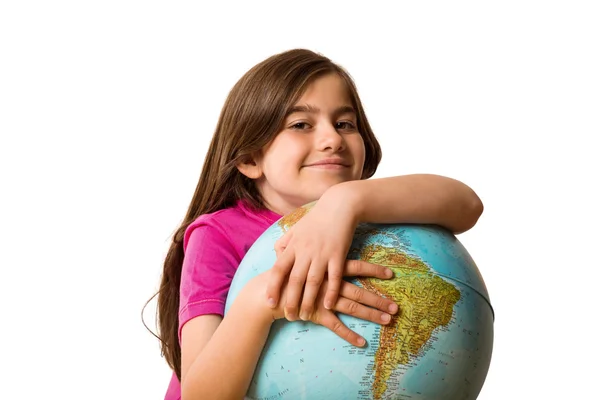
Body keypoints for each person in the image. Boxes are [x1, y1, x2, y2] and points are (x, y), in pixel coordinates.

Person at [150, 48, 484, 400]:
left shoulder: (368, 213)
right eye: (300, 125)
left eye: (344, 124)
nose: (333, 139)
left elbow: (467, 205)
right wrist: (263, 301)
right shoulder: (218, 234)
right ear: (250, 158)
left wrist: (347, 202)